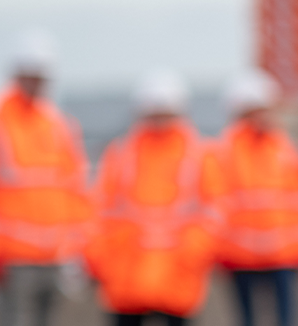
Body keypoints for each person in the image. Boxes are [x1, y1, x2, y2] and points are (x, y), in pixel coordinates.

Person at [0, 31, 91, 326]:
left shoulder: (58, 125)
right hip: (12, 260)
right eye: (30, 75)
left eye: (40, 77)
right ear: (16, 74)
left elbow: (75, 191)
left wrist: (79, 247)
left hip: (54, 259)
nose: (36, 83)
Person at [86, 70, 223, 326]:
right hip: (127, 275)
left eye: (166, 113)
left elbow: (214, 211)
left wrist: (195, 251)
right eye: (154, 113)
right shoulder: (121, 153)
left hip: (177, 274)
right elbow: (99, 210)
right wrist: (99, 258)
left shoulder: (198, 154)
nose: (159, 121)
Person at [214, 71, 298, 326]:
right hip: (239, 255)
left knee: (287, 318)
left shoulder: (289, 148)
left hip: (283, 254)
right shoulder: (224, 151)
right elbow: (216, 203)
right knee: (247, 319)